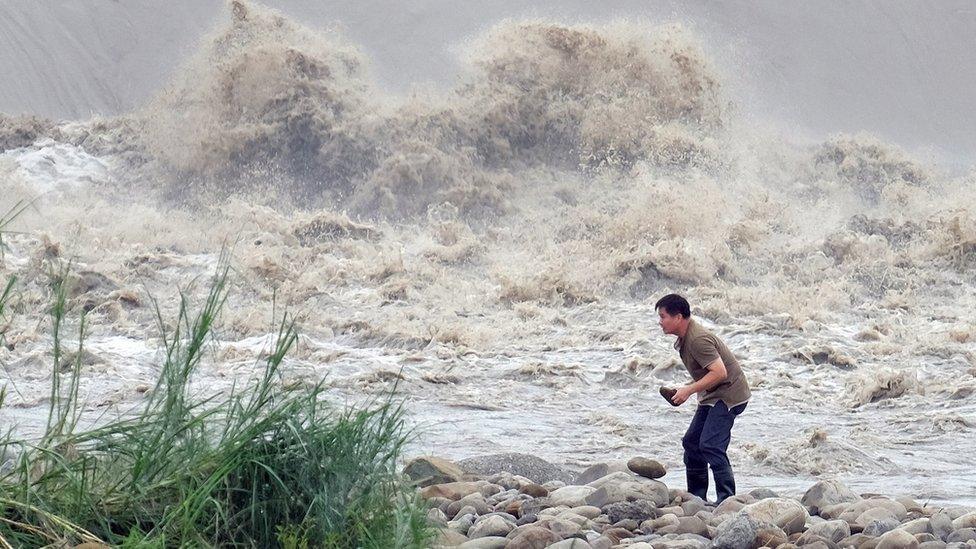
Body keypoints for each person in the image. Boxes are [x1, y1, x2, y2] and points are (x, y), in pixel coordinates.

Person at [655, 293, 751, 503]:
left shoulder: (698, 339)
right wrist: (685, 390)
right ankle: (697, 497)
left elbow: (720, 372)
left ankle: (727, 500)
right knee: (691, 442)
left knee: (710, 445)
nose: (660, 322)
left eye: (663, 317)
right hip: (713, 394)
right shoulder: (684, 338)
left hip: (730, 394)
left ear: (678, 317)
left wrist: (688, 390)